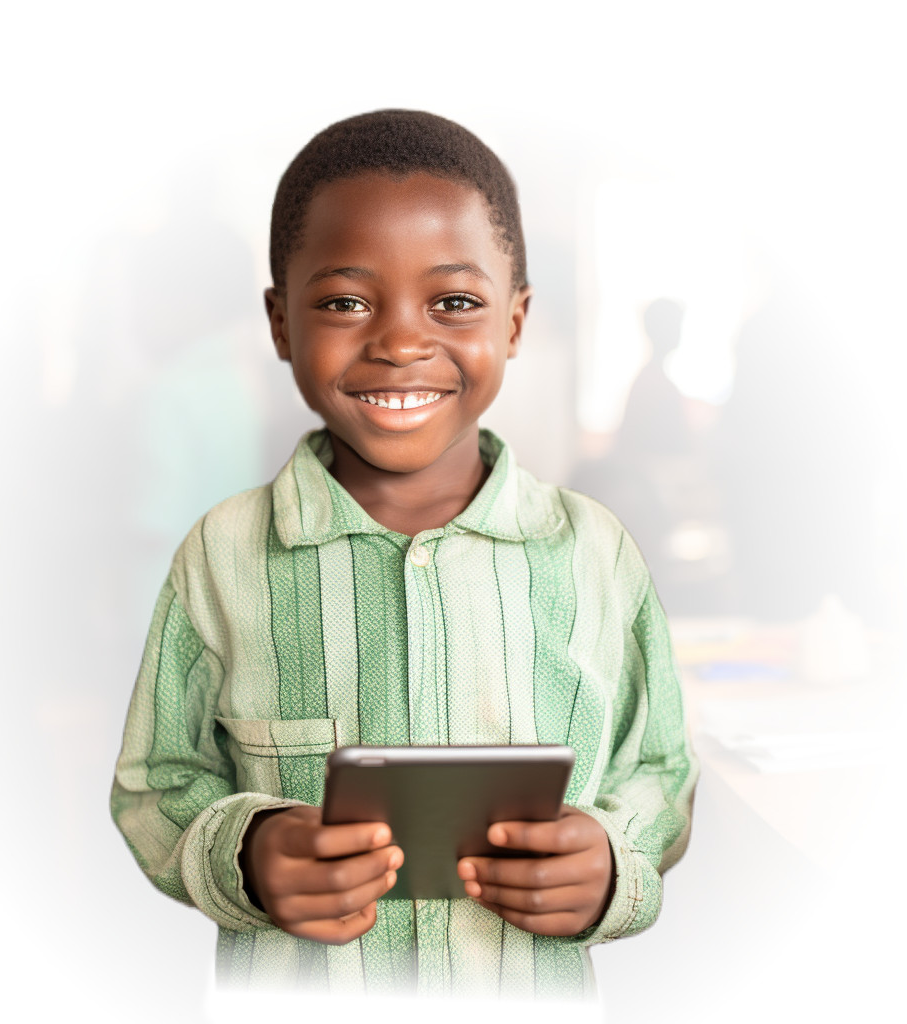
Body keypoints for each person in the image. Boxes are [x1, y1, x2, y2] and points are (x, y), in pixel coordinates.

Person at [110, 110, 697, 1000]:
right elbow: (156, 785)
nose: (398, 341)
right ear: (279, 323)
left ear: (514, 321)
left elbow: (656, 771)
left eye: (453, 302)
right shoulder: (223, 554)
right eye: (345, 301)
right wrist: (250, 852)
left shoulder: (594, 553)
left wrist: (614, 864)